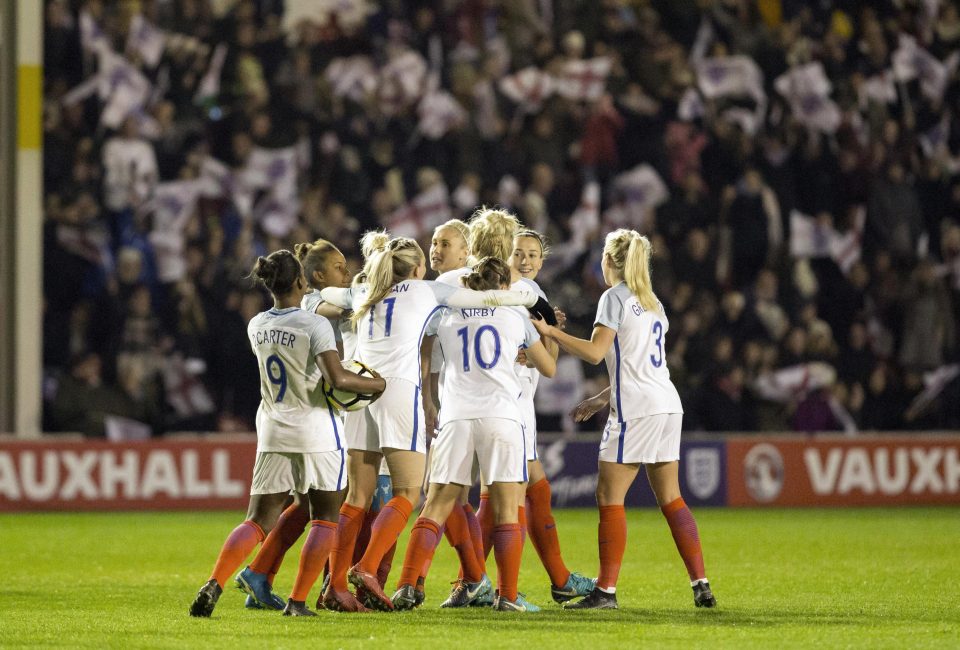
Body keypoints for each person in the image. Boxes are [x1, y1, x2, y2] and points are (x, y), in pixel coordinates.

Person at [318, 235, 539, 612]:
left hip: (360, 389)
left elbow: (320, 298)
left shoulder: (363, 290)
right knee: (407, 492)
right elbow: (487, 299)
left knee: (356, 496)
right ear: (418, 269)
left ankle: (334, 586)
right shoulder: (424, 291)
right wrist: (528, 299)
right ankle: (367, 567)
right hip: (396, 390)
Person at [189, 249, 386, 618]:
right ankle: (297, 601)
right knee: (326, 516)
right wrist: (376, 383)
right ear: (301, 282)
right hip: (316, 431)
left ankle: (214, 581)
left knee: (257, 519)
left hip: (273, 430)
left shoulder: (257, 324)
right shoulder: (314, 325)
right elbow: (338, 378)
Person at [531, 229, 717, 610]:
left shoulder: (613, 298)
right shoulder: (653, 303)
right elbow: (641, 365)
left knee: (608, 496)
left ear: (608, 261)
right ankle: (701, 583)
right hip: (666, 404)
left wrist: (550, 332)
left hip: (636, 409)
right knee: (671, 497)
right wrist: (602, 398)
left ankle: (606, 592)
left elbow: (596, 354)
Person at [391, 257, 556, 612]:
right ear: (504, 287)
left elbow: (424, 351)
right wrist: (545, 333)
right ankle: (508, 597)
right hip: (501, 417)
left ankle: (406, 584)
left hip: (456, 417)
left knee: (435, 505)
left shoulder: (445, 316)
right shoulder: (516, 315)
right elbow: (550, 367)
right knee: (507, 509)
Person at [510, 229, 596, 603]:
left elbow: (548, 363)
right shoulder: (503, 291)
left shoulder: (536, 295)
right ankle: (483, 583)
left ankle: (557, 579)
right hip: (503, 402)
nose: (525, 260)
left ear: (542, 261)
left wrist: (552, 334)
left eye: (532, 254)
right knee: (500, 497)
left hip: (520, 403)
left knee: (527, 489)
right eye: (518, 253)